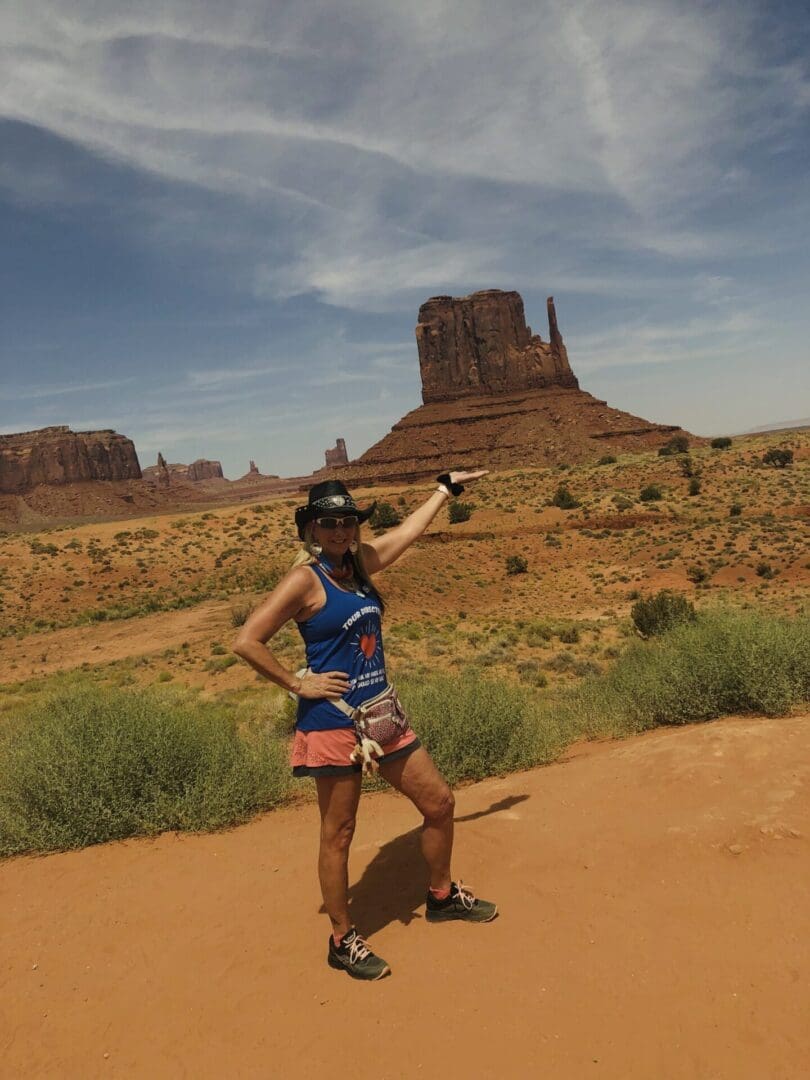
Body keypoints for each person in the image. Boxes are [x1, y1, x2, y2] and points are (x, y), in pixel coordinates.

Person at [233, 473, 497, 980]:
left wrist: (445, 489)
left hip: (381, 712)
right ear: (310, 529)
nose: (339, 531)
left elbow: (407, 533)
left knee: (439, 802)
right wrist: (298, 683)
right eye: (328, 523)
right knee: (340, 832)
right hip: (333, 722)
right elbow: (247, 640)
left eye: (347, 522)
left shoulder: (360, 564)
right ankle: (341, 939)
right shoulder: (304, 580)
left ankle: (441, 896)